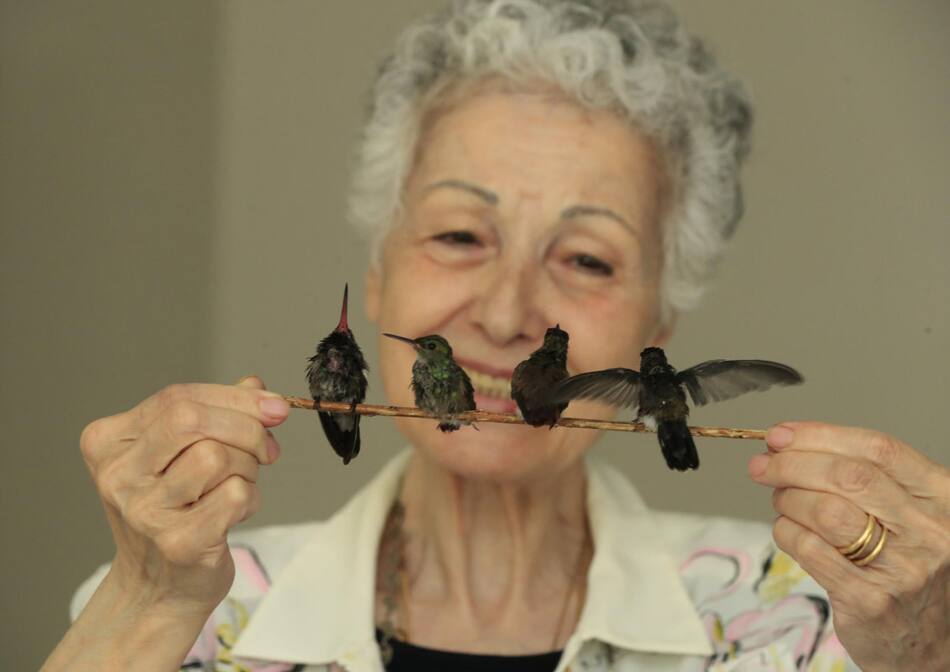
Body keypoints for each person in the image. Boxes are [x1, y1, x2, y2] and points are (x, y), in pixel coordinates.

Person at [44, 1, 948, 671]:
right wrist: (147, 605)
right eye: (460, 237)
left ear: (657, 322)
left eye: (587, 259)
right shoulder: (191, 621)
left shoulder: (811, 628)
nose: (510, 312)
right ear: (382, 270)